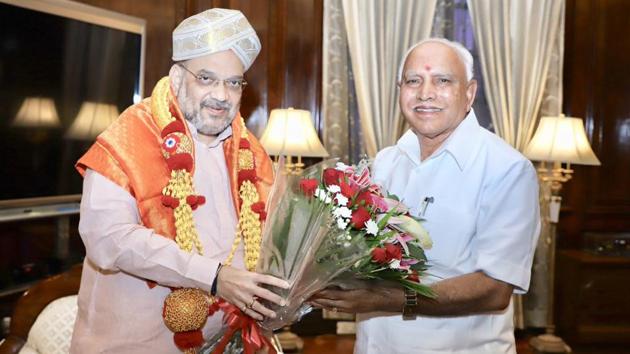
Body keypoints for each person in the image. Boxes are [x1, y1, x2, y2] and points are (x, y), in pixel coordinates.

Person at [70, 8, 288, 353]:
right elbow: (107, 238)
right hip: (132, 344)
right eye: (206, 78)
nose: (222, 95)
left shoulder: (250, 150)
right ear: (176, 77)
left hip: (224, 342)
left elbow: (274, 234)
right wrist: (214, 277)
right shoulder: (128, 138)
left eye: (233, 83)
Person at [310, 38, 541, 353]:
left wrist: (388, 298)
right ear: (400, 90)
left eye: (443, 80)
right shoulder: (386, 162)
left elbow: (494, 289)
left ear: (469, 93)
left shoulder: (507, 169)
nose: (425, 93)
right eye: (413, 81)